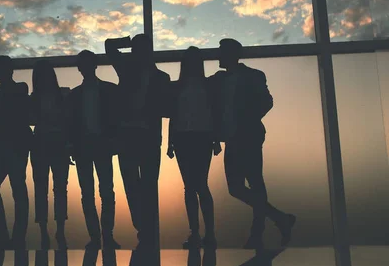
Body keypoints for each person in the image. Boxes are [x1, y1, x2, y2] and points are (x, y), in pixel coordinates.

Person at [212, 39, 296, 249]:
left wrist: (247, 119)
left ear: (231, 54)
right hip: (232, 137)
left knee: (255, 183)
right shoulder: (219, 79)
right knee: (236, 188)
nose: (218, 56)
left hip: (248, 135)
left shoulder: (253, 75)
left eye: (221, 52)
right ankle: (279, 218)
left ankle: (257, 234)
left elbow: (267, 101)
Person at [105, 34, 170, 247]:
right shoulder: (127, 68)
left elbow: (163, 108)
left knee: (147, 186)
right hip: (129, 137)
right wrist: (128, 40)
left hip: (148, 138)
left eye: (138, 49)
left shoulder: (161, 78)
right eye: (135, 49)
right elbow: (109, 45)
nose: (135, 53)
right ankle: (143, 228)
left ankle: (147, 230)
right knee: (133, 185)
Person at [167, 47, 221, 250]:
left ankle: (205, 234)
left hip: (200, 137)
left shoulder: (205, 85)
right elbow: (174, 114)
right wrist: (170, 142)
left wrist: (215, 139)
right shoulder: (187, 86)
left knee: (198, 186)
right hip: (185, 138)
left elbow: (213, 112)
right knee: (192, 186)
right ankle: (199, 233)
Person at [68, 50, 121, 249]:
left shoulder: (105, 91)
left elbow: (115, 118)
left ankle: (104, 236)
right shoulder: (81, 94)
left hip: (99, 145)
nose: (85, 68)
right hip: (87, 147)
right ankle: (99, 236)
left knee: (102, 191)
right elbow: (71, 123)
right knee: (93, 192)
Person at [0, 55, 32, 249]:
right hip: (6, 146)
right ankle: (5, 236)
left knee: (15, 189)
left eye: (0, 70)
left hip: (14, 145)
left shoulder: (19, 89)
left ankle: (13, 236)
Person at [30, 60, 72, 250]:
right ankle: (47, 231)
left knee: (57, 188)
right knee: (45, 188)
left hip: (54, 144)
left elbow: (69, 120)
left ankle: (58, 229)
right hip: (43, 144)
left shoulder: (63, 94)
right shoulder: (52, 96)